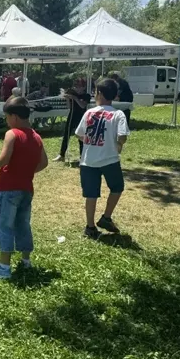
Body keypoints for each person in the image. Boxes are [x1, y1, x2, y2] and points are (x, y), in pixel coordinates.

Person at [0, 97, 48, 280]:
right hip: (26, 188)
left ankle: (3, 268)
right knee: (23, 224)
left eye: (7, 117)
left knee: (4, 226)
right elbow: (44, 163)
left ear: (14, 117)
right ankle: (25, 261)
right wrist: (26, 171)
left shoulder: (12, 134)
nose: (6, 121)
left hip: (8, 188)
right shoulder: (36, 136)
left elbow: (3, 160)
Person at [76, 79, 130, 239]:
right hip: (109, 158)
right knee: (117, 187)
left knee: (91, 194)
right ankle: (106, 217)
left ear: (98, 93)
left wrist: (90, 142)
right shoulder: (117, 114)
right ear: (114, 95)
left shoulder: (89, 112)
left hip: (88, 160)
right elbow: (122, 136)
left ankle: (90, 227)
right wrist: (118, 145)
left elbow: (79, 134)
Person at [54, 79, 91, 162]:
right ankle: (62, 155)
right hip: (72, 116)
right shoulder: (73, 94)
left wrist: (75, 98)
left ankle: (82, 156)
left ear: (83, 87)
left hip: (81, 117)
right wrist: (67, 99)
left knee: (81, 136)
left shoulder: (86, 96)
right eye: (76, 86)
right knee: (66, 135)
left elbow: (82, 106)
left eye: (79, 86)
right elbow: (69, 107)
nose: (77, 88)